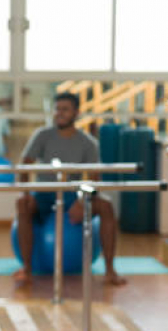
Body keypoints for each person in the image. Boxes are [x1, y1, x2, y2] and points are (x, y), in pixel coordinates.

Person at [13, 93, 126, 286]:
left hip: (73, 193)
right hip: (44, 192)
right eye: (57, 109)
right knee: (22, 204)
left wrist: (82, 200)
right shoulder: (43, 135)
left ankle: (110, 271)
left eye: (65, 109)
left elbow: (94, 179)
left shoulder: (88, 142)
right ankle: (27, 269)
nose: (59, 113)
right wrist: (26, 193)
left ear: (76, 113)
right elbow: (25, 164)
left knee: (106, 206)